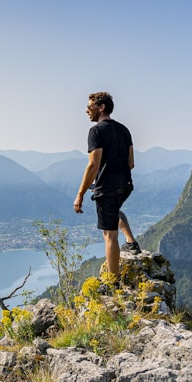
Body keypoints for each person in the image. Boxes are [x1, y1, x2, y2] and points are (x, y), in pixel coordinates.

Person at [74, 91, 139, 276]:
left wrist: (80, 193)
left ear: (101, 107)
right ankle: (131, 242)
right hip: (125, 185)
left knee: (109, 235)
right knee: (114, 211)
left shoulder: (96, 131)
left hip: (108, 187)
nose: (86, 111)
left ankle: (113, 282)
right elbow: (131, 162)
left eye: (89, 107)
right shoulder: (124, 130)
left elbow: (93, 165)